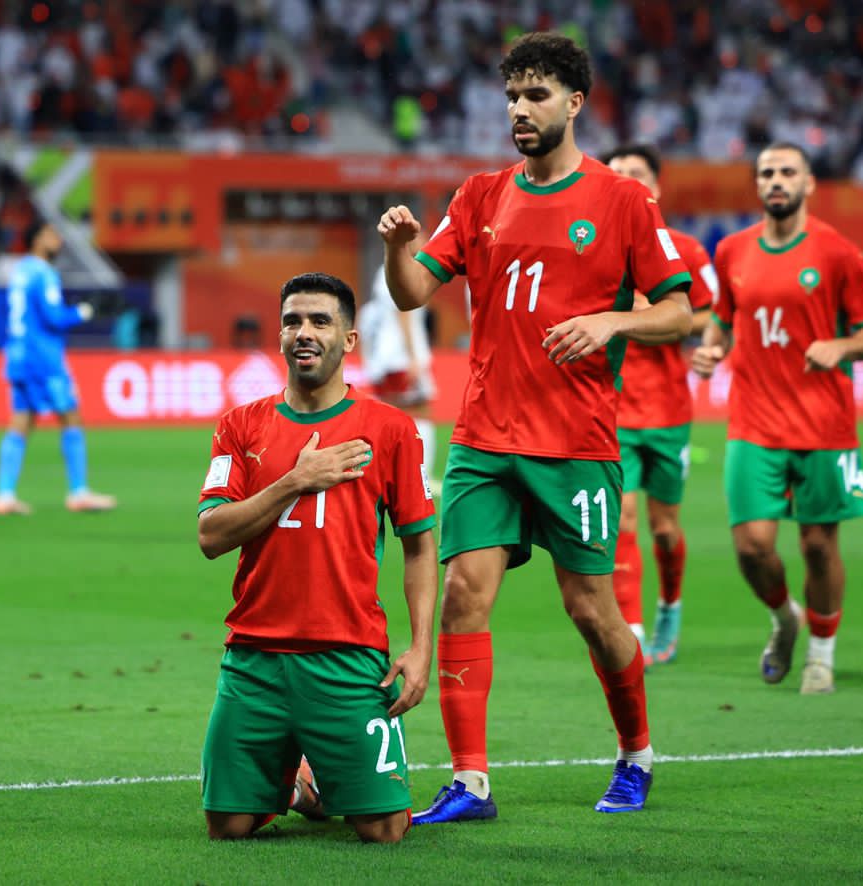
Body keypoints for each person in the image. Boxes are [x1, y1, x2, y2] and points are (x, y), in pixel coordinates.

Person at [378, 32, 694, 821]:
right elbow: (412, 292)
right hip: (484, 438)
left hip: (574, 444)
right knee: (462, 595)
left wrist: (614, 321)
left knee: (591, 610)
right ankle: (470, 782)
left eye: (537, 95)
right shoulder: (480, 195)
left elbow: (681, 310)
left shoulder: (623, 201)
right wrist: (396, 251)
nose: (520, 109)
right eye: (512, 96)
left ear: (575, 103)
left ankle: (636, 754)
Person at [196, 272, 437, 843]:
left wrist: (422, 647)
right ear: (280, 336)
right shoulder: (240, 426)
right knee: (227, 826)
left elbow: (420, 546)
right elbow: (211, 536)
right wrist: (295, 481)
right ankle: (301, 786)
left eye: (320, 321)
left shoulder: (390, 429)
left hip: (347, 655)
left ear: (349, 339)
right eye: (292, 322)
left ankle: (321, 780)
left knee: (384, 830)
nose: (303, 332)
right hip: (254, 656)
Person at [691, 142, 863, 696]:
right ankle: (785, 619)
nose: (776, 180)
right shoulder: (732, 250)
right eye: (767, 173)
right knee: (752, 547)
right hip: (753, 422)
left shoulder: (839, 253)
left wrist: (841, 346)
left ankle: (821, 657)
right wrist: (711, 349)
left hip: (823, 425)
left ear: (808, 184)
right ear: (757, 185)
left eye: (787, 172)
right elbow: (722, 319)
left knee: (818, 548)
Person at [600, 144, 717, 666]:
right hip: (613, 407)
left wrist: (665, 319)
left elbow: (712, 313)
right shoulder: (592, 245)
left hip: (669, 410)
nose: (627, 181)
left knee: (665, 528)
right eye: (617, 174)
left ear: (656, 186)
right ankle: (633, 630)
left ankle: (670, 604)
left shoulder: (685, 249)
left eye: (636, 173)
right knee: (623, 518)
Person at [0, 220, 116, 515]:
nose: (58, 240)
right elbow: (54, 318)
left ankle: (4, 495)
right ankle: (79, 492)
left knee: (21, 420)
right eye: (51, 235)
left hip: (17, 354)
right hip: (43, 358)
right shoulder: (44, 273)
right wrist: (84, 311)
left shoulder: (20, 270)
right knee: (71, 417)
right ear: (37, 240)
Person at [359, 264, 439, 480]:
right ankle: (419, 474)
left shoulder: (374, 300)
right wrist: (413, 356)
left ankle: (387, 472)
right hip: (400, 357)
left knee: (389, 415)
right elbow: (402, 311)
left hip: (384, 360)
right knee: (419, 412)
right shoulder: (403, 269)